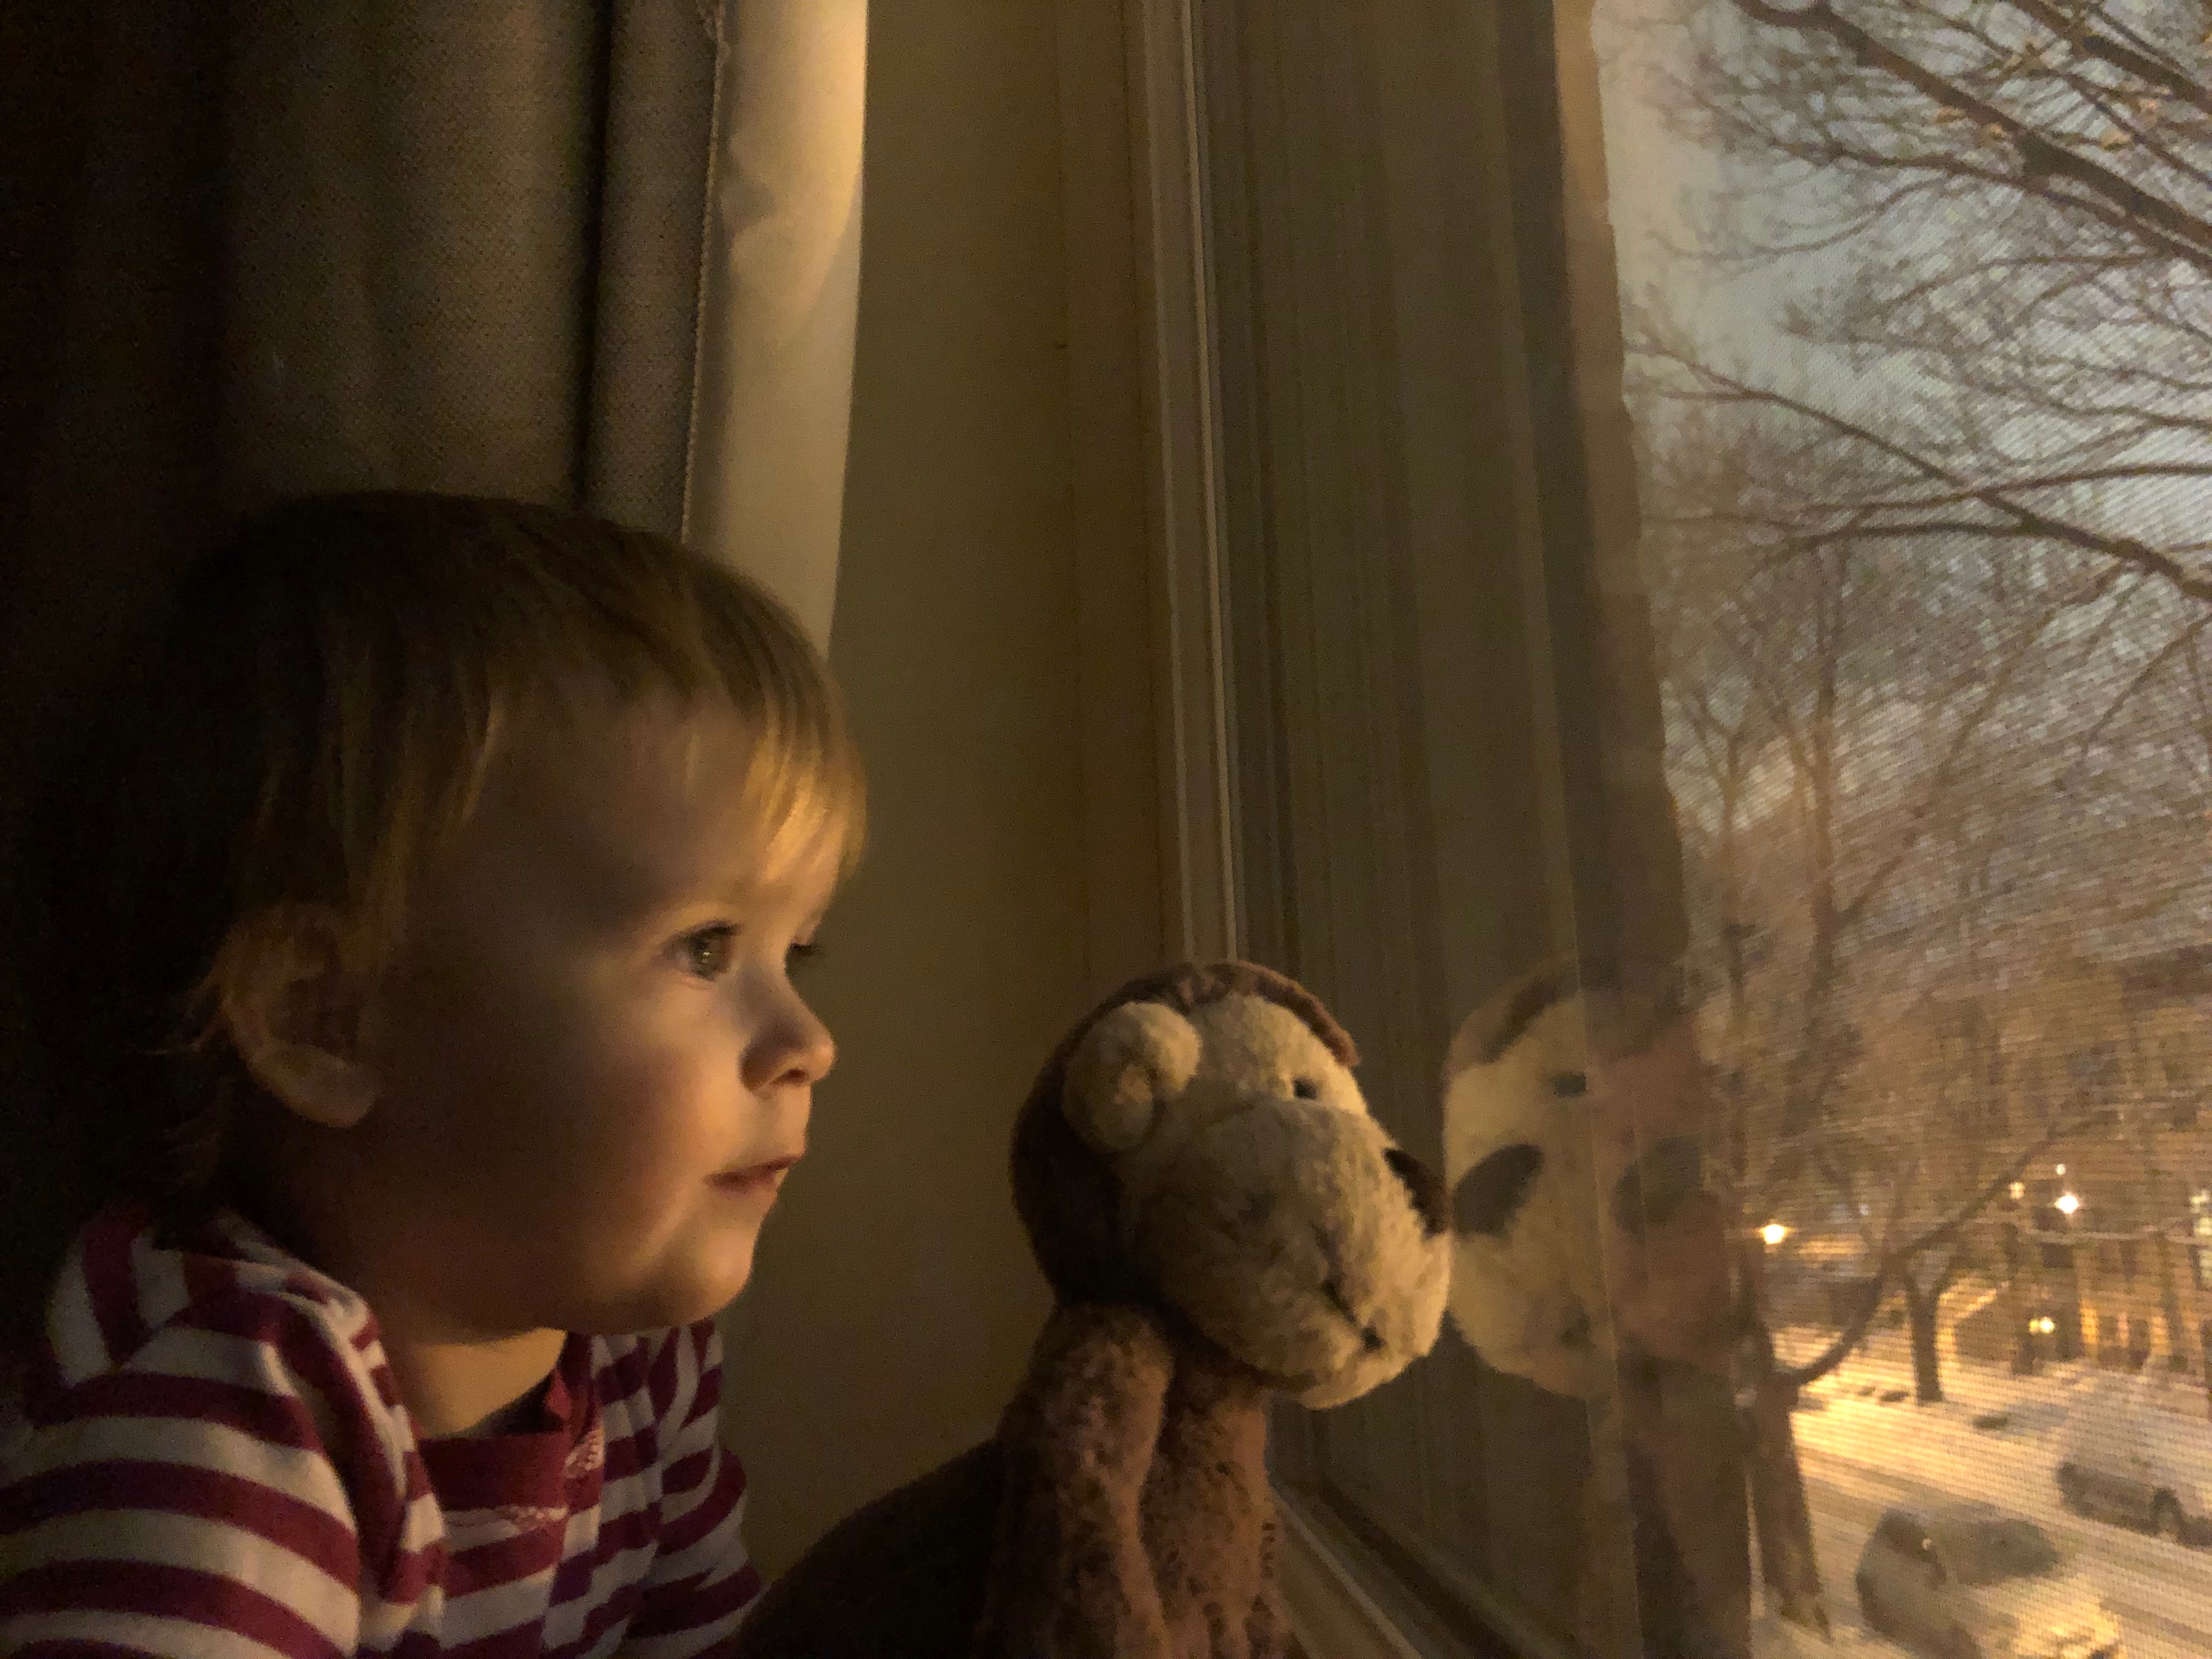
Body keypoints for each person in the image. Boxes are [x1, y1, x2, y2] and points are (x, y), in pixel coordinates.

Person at [0, 492, 864, 1655]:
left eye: (794, 949)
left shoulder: (636, 1365)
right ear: (329, 1021)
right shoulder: (219, 1422)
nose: (810, 1041)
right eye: (706, 947)